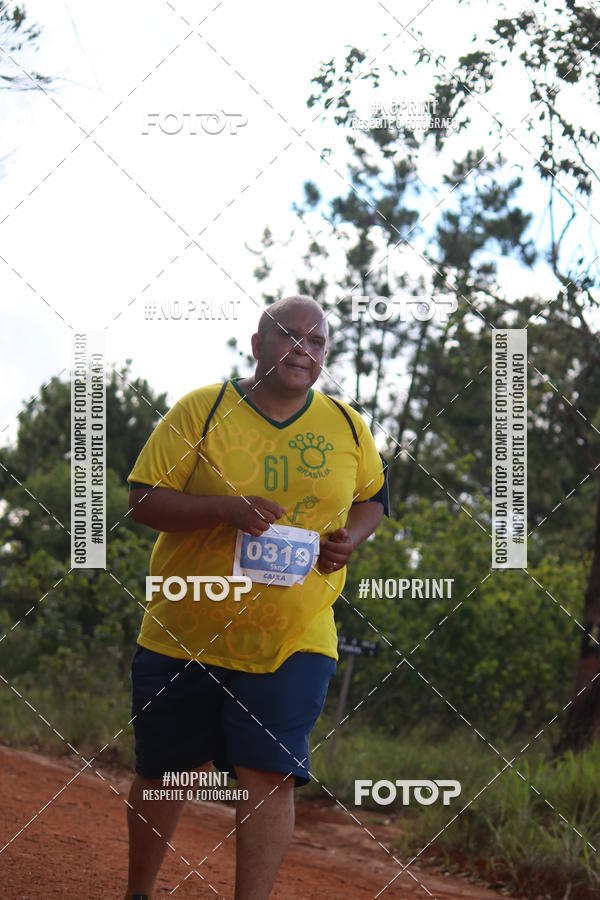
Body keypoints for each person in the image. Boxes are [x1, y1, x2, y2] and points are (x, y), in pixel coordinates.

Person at [124, 294, 389, 900]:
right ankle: (137, 891)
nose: (303, 349)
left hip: (294, 634)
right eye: (290, 336)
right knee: (166, 773)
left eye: (316, 342)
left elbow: (374, 496)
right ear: (257, 344)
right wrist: (225, 510)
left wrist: (352, 537)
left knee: (270, 775)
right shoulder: (203, 408)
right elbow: (142, 500)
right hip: (186, 629)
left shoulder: (347, 426)